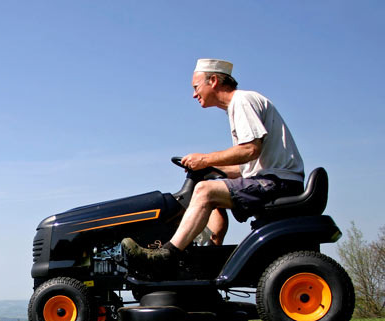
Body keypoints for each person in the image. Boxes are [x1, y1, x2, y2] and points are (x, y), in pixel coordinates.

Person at [122, 58, 305, 278]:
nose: (194, 94)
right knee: (210, 189)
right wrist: (209, 169)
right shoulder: (240, 105)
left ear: (214, 81)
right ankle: (205, 253)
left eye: (196, 87)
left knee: (205, 192)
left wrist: (206, 160)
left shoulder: (242, 101)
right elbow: (247, 168)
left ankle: (165, 255)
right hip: (271, 180)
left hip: (277, 183)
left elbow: (250, 150)